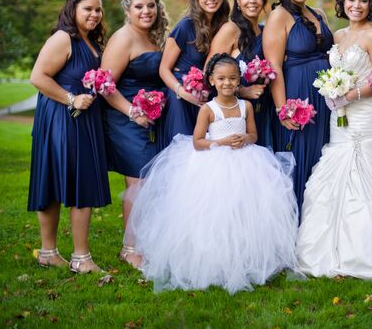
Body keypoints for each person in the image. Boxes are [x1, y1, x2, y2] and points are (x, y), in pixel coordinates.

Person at [127, 54, 298, 293]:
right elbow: (197, 142)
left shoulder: (245, 106)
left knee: (243, 210)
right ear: (212, 81)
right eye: (221, 79)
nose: (227, 83)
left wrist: (245, 139)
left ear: (239, 81)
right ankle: (214, 263)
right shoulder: (208, 109)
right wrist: (221, 142)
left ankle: (244, 259)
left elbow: (253, 135)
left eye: (232, 78)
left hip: (245, 161)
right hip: (215, 163)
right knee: (215, 213)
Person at [295, 0, 372, 279]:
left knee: (361, 179)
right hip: (340, 117)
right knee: (330, 178)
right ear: (342, 2)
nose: (356, 5)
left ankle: (363, 254)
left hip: (365, 116)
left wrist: (351, 94)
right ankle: (324, 250)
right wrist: (331, 91)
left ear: (371, 4)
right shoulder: (337, 36)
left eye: (363, 0)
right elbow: (335, 73)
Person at [28, 0, 111, 273]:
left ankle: (72, 255)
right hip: (61, 119)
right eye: (88, 8)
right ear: (72, 9)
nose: (94, 14)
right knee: (58, 182)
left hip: (83, 118)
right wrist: (72, 99)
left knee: (80, 181)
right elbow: (38, 77)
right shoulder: (63, 38)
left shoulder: (89, 41)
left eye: (98, 9)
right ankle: (69, 256)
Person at [101, 0, 170, 269]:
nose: (146, 11)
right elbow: (105, 85)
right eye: (139, 6)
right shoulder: (123, 38)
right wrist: (132, 112)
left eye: (150, 5)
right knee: (137, 182)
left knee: (149, 182)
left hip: (151, 119)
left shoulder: (155, 37)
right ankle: (129, 249)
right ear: (128, 10)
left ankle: (144, 242)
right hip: (125, 118)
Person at [263, 0, 333, 210]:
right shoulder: (278, 17)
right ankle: (293, 229)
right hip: (296, 99)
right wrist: (283, 109)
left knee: (319, 160)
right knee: (297, 161)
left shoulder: (317, 14)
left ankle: (314, 229)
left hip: (323, 100)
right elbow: (274, 67)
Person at [159, 0, 229, 146]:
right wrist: (181, 92)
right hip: (181, 100)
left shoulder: (224, 26)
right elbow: (164, 69)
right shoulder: (185, 26)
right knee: (184, 151)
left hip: (207, 99)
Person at [207, 0, 273, 147]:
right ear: (237, 0)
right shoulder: (231, 29)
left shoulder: (267, 32)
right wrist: (242, 91)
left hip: (264, 109)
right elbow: (209, 72)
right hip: (235, 113)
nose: (252, 1)